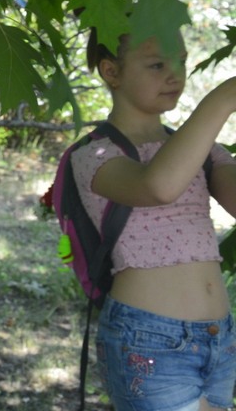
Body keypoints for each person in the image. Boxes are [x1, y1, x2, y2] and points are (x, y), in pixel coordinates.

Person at [74, 27, 236, 411]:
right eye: (157, 64)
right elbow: (158, 185)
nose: (175, 74)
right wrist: (225, 97)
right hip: (148, 340)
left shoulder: (201, 150)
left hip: (221, 338)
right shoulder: (93, 155)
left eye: (180, 60)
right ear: (111, 71)